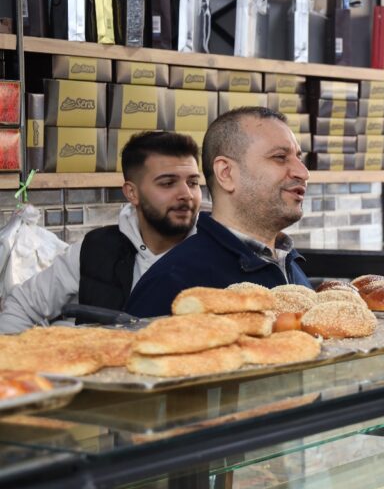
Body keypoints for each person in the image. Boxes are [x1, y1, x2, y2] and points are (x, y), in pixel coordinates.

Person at [0, 131, 201, 334]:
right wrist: (18, 358)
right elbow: (22, 306)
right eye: (168, 183)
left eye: (193, 183)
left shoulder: (218, 254)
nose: (186, 194)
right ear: (132, 193)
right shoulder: (94, 250)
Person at [126, 107, 311, 318]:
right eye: (280, 157)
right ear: (226, 173)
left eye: (298, 157)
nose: (303, 172)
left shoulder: (289, 266)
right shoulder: (172, 284)